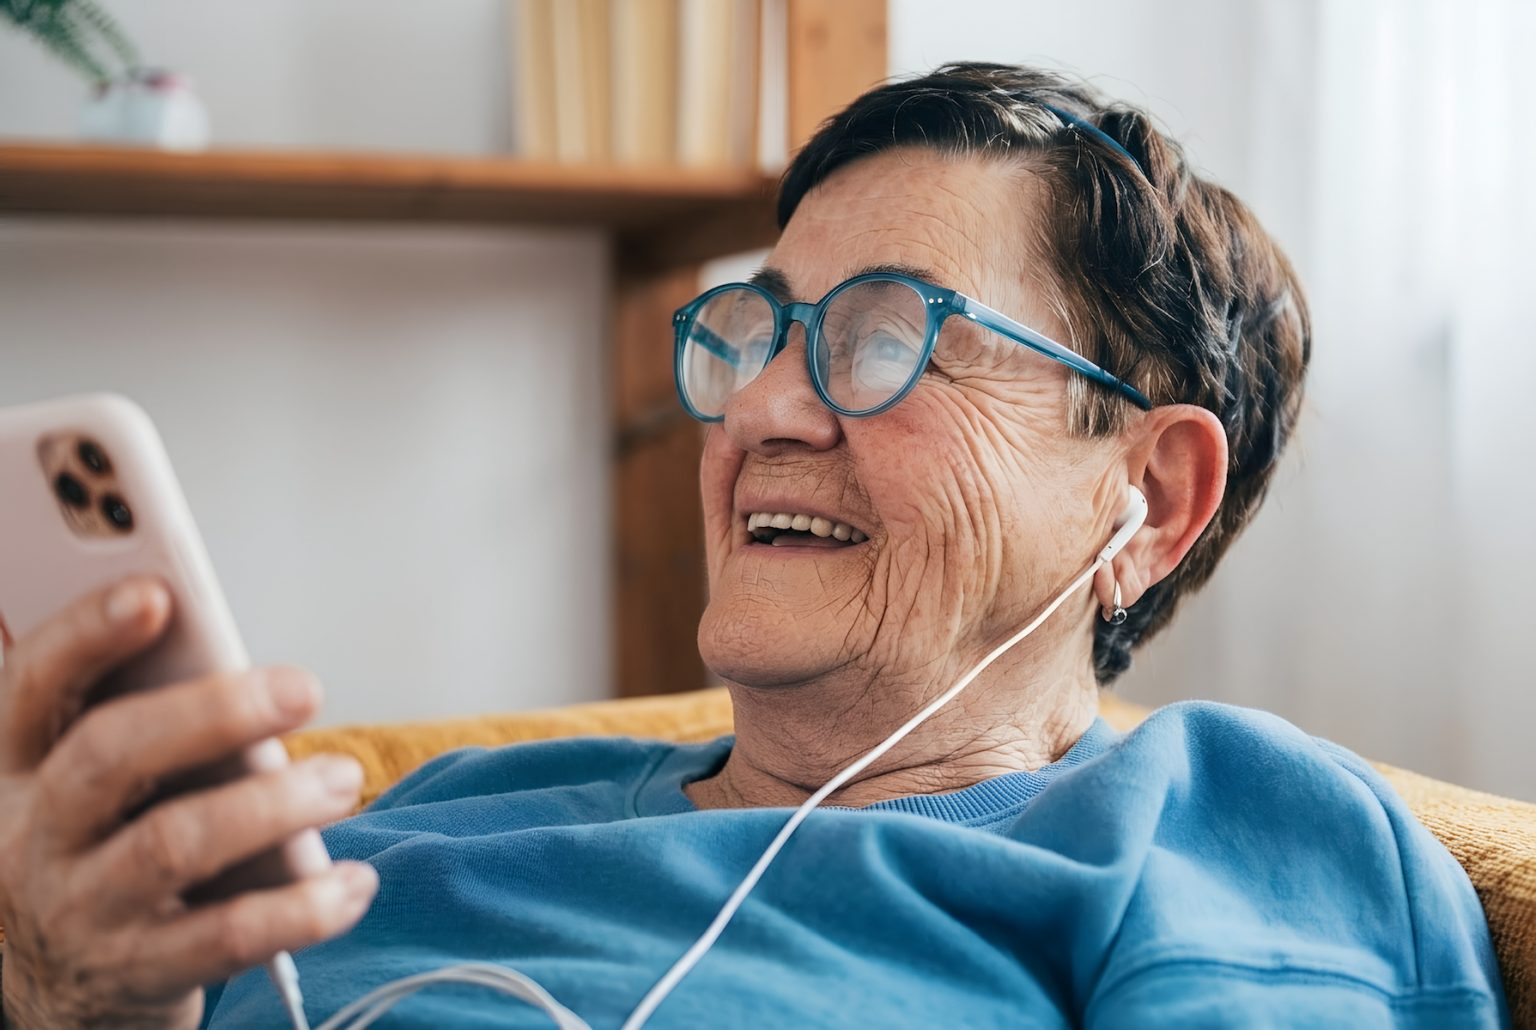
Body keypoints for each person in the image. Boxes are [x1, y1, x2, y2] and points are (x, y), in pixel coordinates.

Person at [0, 63, 1508, 1028]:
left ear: (1153, 500)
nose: (764, 408)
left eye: (882, 337)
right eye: (761, 329)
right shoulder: (447, 807)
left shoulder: (1229, 830)